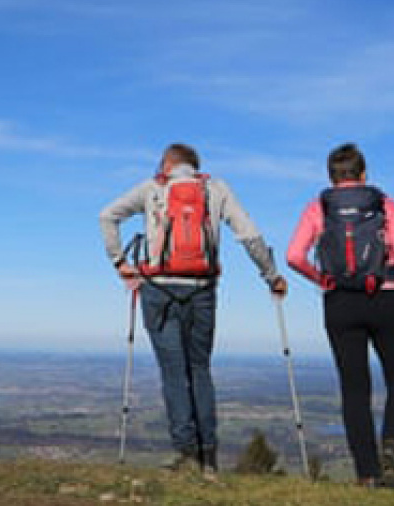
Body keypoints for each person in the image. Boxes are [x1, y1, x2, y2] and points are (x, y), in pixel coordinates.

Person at [99, 143, 288, 475]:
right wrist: (271, 275)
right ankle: (209, 458)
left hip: (158, 291)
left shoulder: (152, 188)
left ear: (167, 165)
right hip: (202, 291)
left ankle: (187, 456)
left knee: (174, 374)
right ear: (195, 167)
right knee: (199, 370)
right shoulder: (215, 189)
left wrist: (121, 263)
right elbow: (250, 235)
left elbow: (107, 215)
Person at [286, 143, 394, 487]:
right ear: (363, 174)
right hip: (386, 297)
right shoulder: (383, 204)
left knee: (354, 388)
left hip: (339, 303)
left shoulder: (318, 208)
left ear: (332, 177)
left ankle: (366, 473)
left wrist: (323, 279)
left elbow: (293, 256)